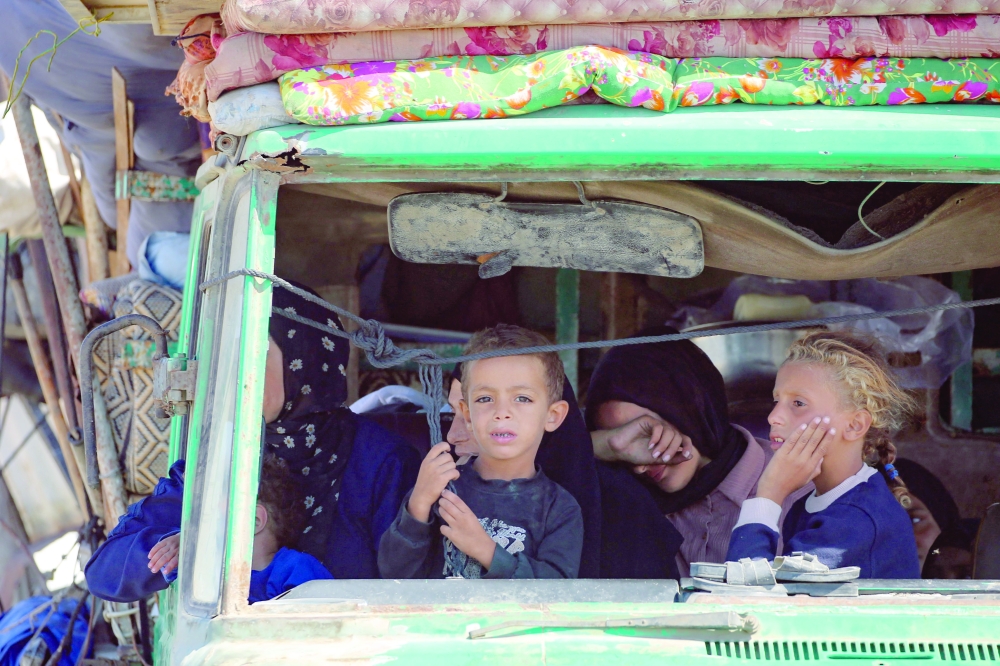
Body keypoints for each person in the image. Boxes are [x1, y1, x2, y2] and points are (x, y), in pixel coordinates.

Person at [585, 326, 810, 577]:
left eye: (648, 433)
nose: (640, 463)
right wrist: (605, 445)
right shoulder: (625, 501)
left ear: (691, 407)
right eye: (620, 443)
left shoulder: (801, 487)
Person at [378, 324, 584, 579]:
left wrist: (487, 551)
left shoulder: (559, 508)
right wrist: (419, 503)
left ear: (553, 416)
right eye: (485, 399)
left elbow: (557, 594)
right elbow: (393, 574)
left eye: (522, 398)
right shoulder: (441, 488)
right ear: (467, 414)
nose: (502, 412)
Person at [726, 331, 921, 578]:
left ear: (854, 425)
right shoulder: (806, 506)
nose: (773, 417)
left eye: (798, 403)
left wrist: (769, 493)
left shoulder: (856, 518)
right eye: (776, 400)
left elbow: (751, 597)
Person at [265, 285, 421, 578]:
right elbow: (151, 568)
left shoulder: (384, 461)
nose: (241, 370)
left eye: (258, 353)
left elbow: (405, 584)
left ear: (304, 360)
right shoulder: (222, 447)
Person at [85, 454, 332, 603]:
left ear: (255, 520)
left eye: (213, 515)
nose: (201, 525)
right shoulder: (207, 575)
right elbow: (102, 575)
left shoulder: (296, 570)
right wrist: (189, 542)